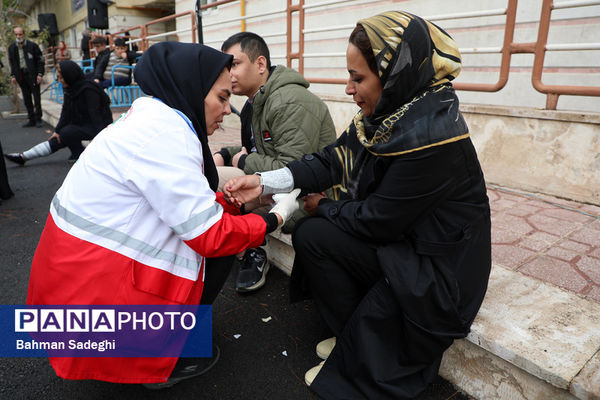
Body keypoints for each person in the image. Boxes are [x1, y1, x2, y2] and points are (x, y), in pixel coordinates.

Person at [224, 11, 492, 399]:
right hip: (405, 241)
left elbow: (379, 222)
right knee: (314, 235)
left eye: (358, 78)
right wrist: (263, 181)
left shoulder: (433, 137)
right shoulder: (389, 116)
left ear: (394, 74)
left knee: (318, 225)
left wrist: (322, 207)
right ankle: (354, 338)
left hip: (440, 266)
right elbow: (332, 159)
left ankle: (370, 355)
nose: (349, 88)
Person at [25, 42, 299, 386]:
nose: (228, 110)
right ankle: (159, 356)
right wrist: (274, 218)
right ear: (193, 90)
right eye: (222, 97)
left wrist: (231, 203)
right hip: (94, 288)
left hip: (72, 278)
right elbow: (209, 234)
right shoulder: (167, 135)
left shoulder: (154, 117)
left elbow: (173, 199)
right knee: (218, 248)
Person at [215, 32, 336, 293]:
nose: (229, 73)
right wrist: (226, 153)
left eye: (235, 64)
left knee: (225, 185)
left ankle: (253, 251)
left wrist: (245, 160)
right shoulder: (255, 102)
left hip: (304, 197)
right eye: (227, 66)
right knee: (214, 174)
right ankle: (235, 247)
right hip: (278, 188)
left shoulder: (288, 100)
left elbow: (293, 170)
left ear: (260, 65)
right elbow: (260, 148)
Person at [4, 61, 112, 165]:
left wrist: (101, 142)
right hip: (84, 123)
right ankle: (23, 157)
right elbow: (65, 111)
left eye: (61, 77)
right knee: (60, 136)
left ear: (70, 75)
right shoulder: (71, 88)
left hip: (100, 126)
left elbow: (96, 115)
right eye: (58, 77)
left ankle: (80, 154)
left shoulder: (88, 89)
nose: (59, 80)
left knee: (66, 132)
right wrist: (57, 131)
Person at [8, 26, 45, 128]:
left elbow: (40, 60)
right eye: (16, 34)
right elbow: (12, 62)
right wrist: (13, 75)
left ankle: (38, 119)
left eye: (20, 34)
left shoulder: (32, 46)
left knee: (36, 97)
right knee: (26, 98)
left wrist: (40, 74)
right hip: (21, 76)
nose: (18, 36)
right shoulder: (12, 48)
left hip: (33, 75)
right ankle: (31, 119)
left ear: (24, 34)